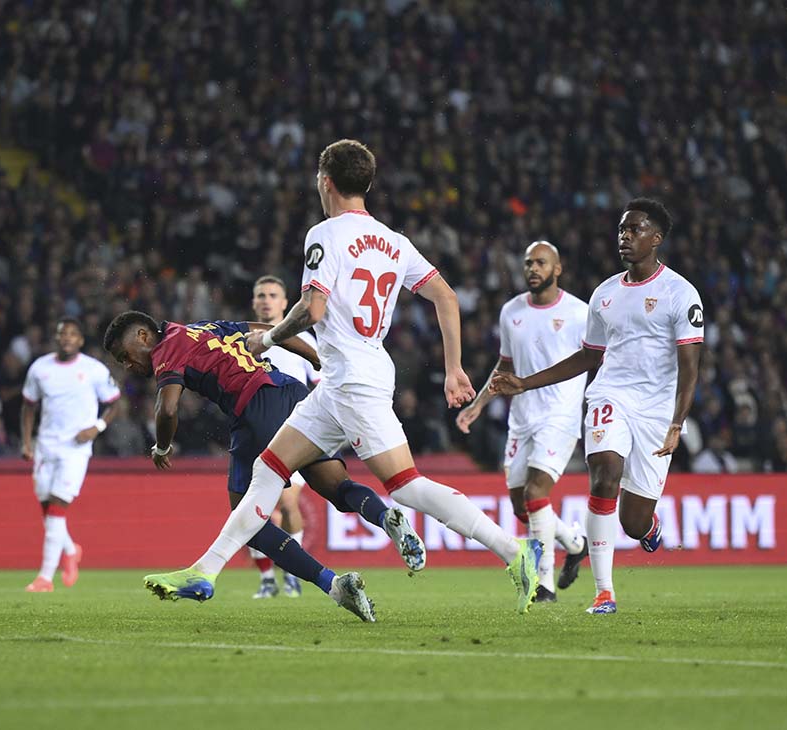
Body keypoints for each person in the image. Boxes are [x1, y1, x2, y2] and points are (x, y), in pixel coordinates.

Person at [141, 140, 542, 614]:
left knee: (408, 486)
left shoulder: (325, 234)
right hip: (342, 379)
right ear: (366, 183)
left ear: (324, 181)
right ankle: (204, 572)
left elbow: (312, 308)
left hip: (354, 380)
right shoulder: (395, 241)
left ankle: (514, 552)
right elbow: (446, 297)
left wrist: (266, 340)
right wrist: (453, 367)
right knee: (268, 469)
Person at [104, 311, 427, 622]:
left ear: (143, 336)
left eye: (124, 356)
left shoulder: (166, 349)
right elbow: (270, 331)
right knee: (336, 486)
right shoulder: (202, 328)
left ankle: (330, 584)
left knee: (245, 519)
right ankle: (386, 516)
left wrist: (162, 446)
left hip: (256, 407)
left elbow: (168, 408)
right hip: (292, 392)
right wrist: (316, 358)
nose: (128, 366)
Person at [491, 199, 704, 614]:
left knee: (633, 521)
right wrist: (524, 383)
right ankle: (604, 593)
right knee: (605, 472)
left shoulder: (680, 293)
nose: (625, 237)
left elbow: (690, 366)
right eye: (622, 230)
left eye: (635, 230)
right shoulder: (605, 294)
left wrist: (678, 422)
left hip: (657, 411)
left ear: (656, 239)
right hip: (611, 395)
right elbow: (589, 357)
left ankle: (649, 526)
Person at [456, 241, 590, 602]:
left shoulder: (581, 313)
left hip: (559, 416)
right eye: (529, 262)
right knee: (521, 506)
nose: (532, 268)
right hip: (522, 418)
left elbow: (596, 360)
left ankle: (544, 584)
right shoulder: (511, 311)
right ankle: (576, 544)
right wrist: (480, 404)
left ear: (557, 269)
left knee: (535, 494)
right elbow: (505, 366)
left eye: (541, 262)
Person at [19, 318, 122, 592]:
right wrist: (27, 442)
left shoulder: (94, 370)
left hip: (75, 450)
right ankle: (70, 549)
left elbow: (114, 403)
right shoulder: (40, 368)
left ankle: (44, 578)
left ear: (80, 340)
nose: (67, 338)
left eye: (73, 334)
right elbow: (28, 407)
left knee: (56, 507)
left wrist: (96, 427)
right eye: (62, 333)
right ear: (56, 338)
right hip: (45, 446)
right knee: (47, 509)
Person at [245, 275, 319, 599]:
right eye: (260, 295)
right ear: (253, 302)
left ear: (285, 303)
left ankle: (291, 573)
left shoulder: (304, 340)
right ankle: (266, 578)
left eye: (273, 294)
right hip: (254, 435)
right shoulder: (241, 341)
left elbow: (321, 384)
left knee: (287, 504)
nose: (266, 300)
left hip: (295, 435)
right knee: (257, 510)